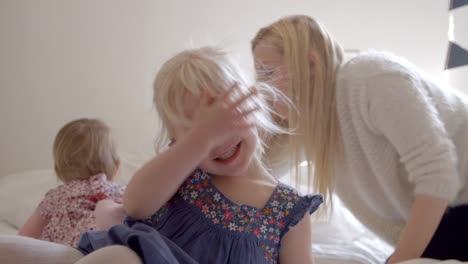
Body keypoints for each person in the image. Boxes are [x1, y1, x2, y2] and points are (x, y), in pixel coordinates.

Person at [0, 46, 322, 264]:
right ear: (176, 141)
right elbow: (136, 203)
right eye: (195, 131)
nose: (216, 139)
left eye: (223, 120)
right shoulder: (181, 171)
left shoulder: (288, 210)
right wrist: (198, 142)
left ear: (254, 106)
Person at [251, 14, 468, 263]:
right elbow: (258, 174)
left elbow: (437, 173)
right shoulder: (309, 125)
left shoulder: (369, 78)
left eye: (268, 72)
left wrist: (399, 259)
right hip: (446, 218)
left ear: (311, 64)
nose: (261, 87)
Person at [18, 118, 126, 246]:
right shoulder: (117, 191)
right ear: (116, 166)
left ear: (58, 170)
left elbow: (23, 239)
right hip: (108, 247)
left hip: (68, 254)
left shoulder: (56, 197)